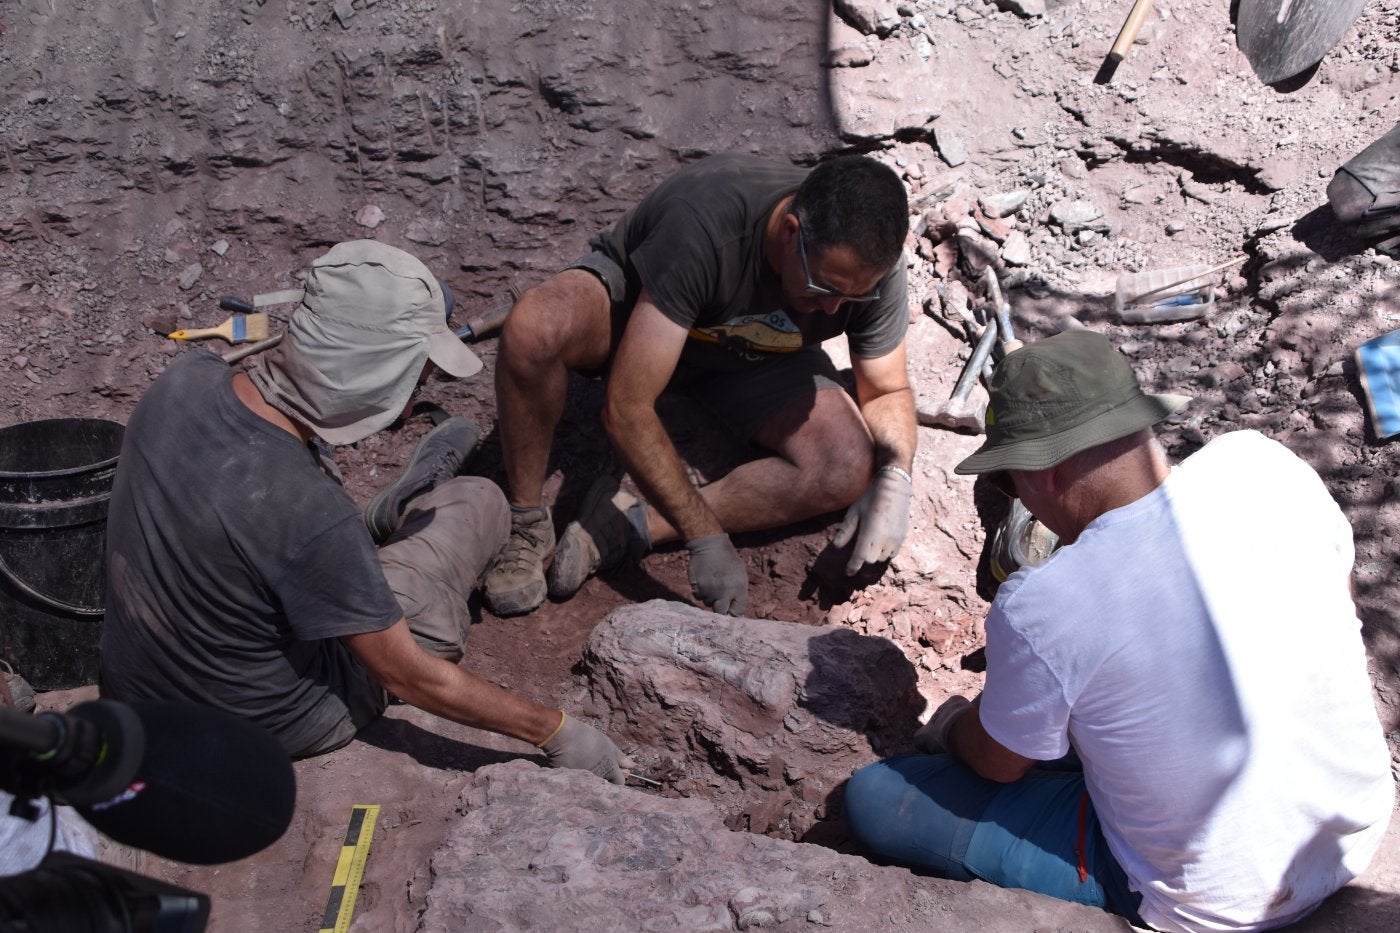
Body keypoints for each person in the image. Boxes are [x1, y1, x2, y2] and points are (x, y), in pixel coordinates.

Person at [843, 331, 1394, 931]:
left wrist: (954, 729)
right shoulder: (1264, 464)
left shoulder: (1044, 604)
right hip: (1352, 826)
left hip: (1216, 898)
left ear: (1043, 473)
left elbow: (998, 765)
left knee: (876, 798)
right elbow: (1337, 605)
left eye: (1010, 480)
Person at [100, 240, 629, 782]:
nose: (415, 394)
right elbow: (410, 678)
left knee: (311, 543)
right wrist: (556, 730)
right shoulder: (308, 513)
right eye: (416, 377)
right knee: (478, 501)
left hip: (141, 694)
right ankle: (398, 510)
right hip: (279, 718)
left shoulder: (183, 379)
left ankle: (391, 510)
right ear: (374, 373)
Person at [483, 153, 917, 618]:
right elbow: (627, 408)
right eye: (824, 288)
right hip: (640, 315)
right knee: (535, 328)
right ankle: (527, 522)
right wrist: (705, 536)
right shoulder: (706, 221)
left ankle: (628, 524)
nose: (834, 310)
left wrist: (896, 476)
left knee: (848, 466)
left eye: (852, 296)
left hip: (755, 352)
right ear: (791, 232)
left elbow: (887, 389)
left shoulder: (868, 271)